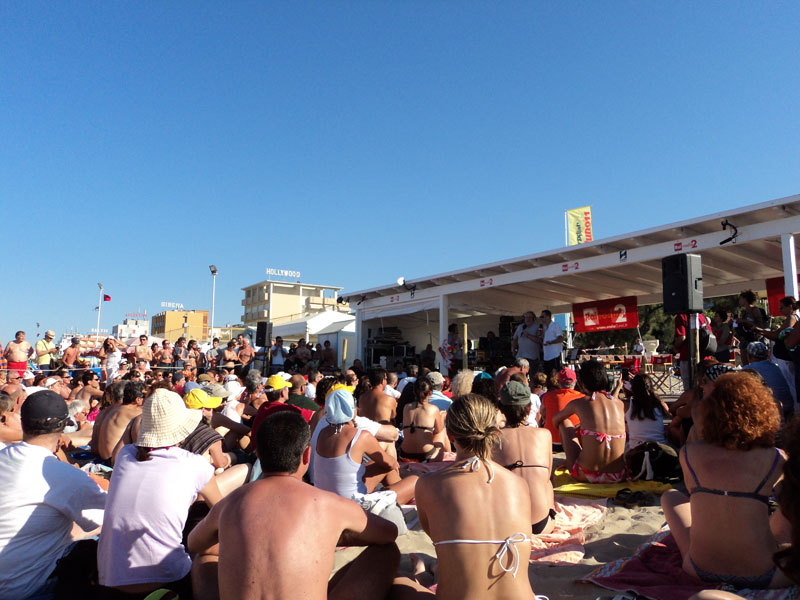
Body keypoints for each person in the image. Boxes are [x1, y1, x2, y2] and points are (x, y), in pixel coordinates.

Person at [188, 410, 401, 600]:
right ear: (307, 455)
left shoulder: (231, 502)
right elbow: (388, 533)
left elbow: (195, 543)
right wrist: (333, 535)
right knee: (388, 551)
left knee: (204, 556)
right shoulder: (329, 504)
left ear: (259, 455)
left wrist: (243, 544)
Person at [661, 372, 791, 589]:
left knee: (671, 496)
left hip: (699, 569)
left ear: (709, 412)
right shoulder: (776, 458)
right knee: (788, 507)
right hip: (766, 575)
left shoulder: (689, 454)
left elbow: (696, 498)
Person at [98, 388, 221, 597]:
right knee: (208, 552)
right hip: (167, 579)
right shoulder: (194, 464)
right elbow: (223, 511)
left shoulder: (126, 455)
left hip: (110, 581)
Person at [414, 393, 536, 598]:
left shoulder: (428, 484)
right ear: (495, 433)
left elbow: (436, 534)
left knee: (398, 583)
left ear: (450, 436)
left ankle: (423, 570)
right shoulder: (519, 484)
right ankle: (427, 570)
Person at [0, 391, 107, 600]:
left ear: (23, 422)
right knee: (102, 537)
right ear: (62, 426)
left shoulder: (5, 456)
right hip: (24, 590)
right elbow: (108, 518)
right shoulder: (63, 476)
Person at [313, 387, 417, 510]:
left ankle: (392, 498)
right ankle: (394, 504)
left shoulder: (322, 433)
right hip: (353, 507)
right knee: (414, 480)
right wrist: (394, 464)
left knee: (379, 465)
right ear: (353, 409)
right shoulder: (361, 436)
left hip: (326, 501)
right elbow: (389, 463)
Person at [492, 381, 555, 535]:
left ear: (501, 409)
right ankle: (550, 512)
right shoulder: (544, 434)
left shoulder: (493, 437)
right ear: (529, 408)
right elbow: (547, 476)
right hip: (540, 524)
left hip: (507, 523)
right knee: (546, 483)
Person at [552, 359, 628, 483]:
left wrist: (577, 429)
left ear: (582, 383)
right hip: (618, 475)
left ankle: (576, 459)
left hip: (586, 475)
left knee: (564, 422)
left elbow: (555, 420)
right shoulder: (619, 404)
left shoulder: (579, 403)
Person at [743, 341, 794, 420]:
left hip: (772, 412)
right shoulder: (775, 366)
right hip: (789, 408)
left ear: (749, 356)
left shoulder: (748, 370)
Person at [400, 378, 445, 462]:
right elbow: (439, 430)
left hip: (405, 454)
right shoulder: (433, 409)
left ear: (414, 392)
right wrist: (442, 417)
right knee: (442, 431)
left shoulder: (406, 407)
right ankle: (449, 454)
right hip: (426, 455)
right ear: (430, 393)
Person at [625, 374, 670, 449]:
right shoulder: (659, 403)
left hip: (636, 449)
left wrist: (618, 387)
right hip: (660, 448)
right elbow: (670, 415)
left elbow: (612, 402)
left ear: (633, 388)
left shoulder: (627, 405)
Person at [539, 367, 583, 445]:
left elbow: (542, 413)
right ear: (575, 382)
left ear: (558, 382)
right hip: (575, 441)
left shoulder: (547, 396)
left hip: (552, 441)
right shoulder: (582, 397)